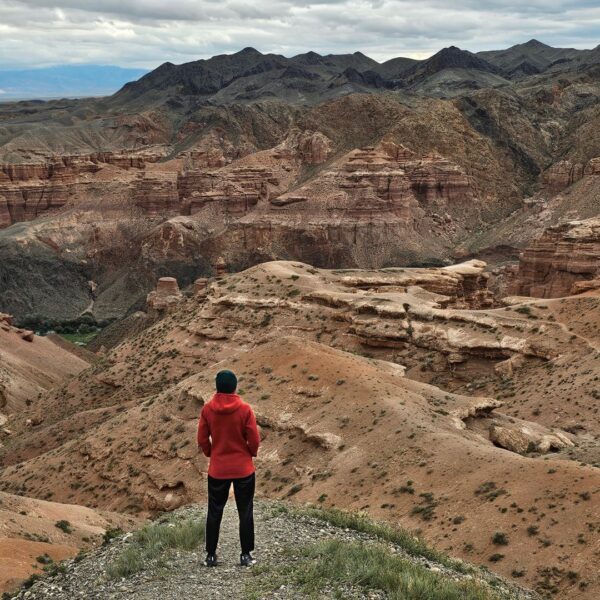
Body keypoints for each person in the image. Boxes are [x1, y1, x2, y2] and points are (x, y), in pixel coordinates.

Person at [197, 369, 260, 567]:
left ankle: (211, 556)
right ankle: (245, 555)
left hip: (218, 469)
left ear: (217, 386)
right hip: (243, 469)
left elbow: (201, 438)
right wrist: (249, 453)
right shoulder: (245, 409)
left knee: (214, 511)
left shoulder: (207, 409)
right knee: (245, 511)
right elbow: (254, 439)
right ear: (234, 387)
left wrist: (211, 453)